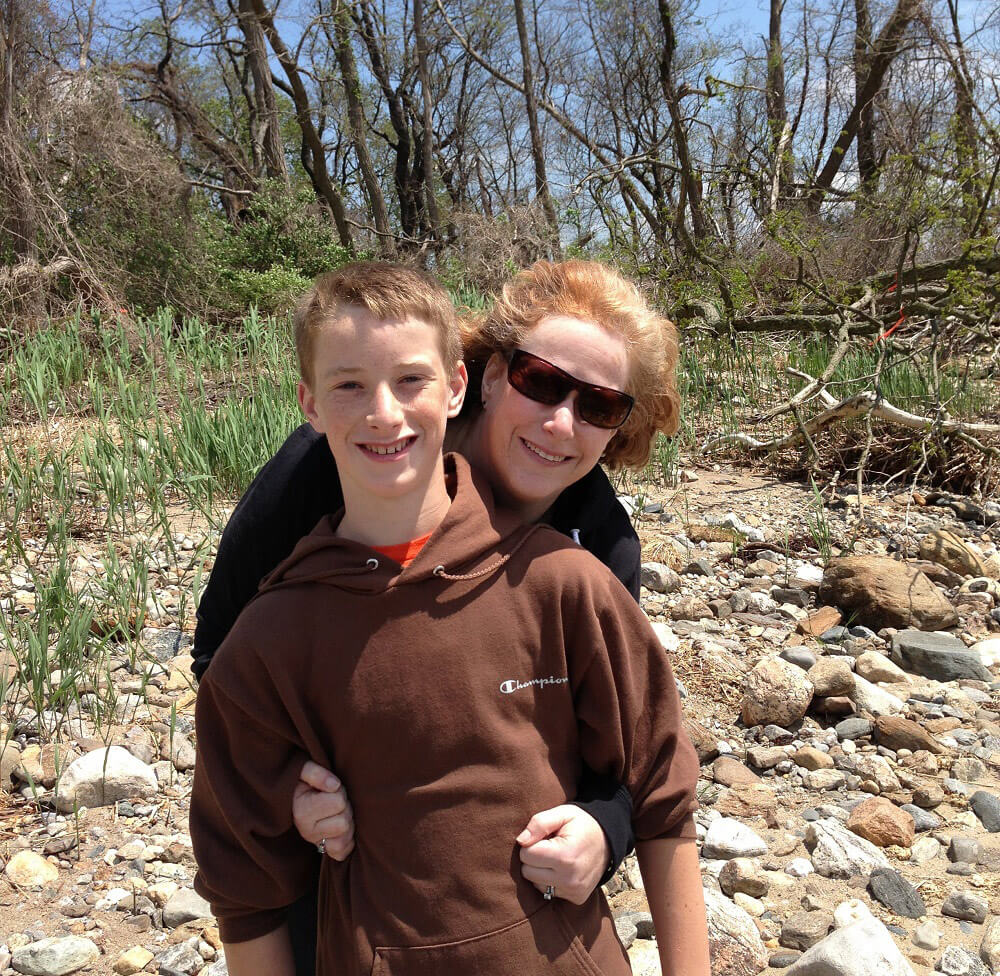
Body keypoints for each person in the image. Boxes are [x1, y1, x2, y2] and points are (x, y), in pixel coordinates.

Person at [190, 261, 709, 976]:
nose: (561, 421)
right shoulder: (327, 465)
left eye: (599, 404)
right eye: (541, 381)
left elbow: (635, 754)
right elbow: (227, 668)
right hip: (355, 876)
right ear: (487, 377)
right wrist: (291, 785)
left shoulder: (590, 554)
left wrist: (606, 826)